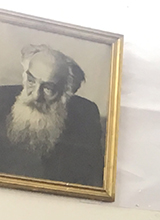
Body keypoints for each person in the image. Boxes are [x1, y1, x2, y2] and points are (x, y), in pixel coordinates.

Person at [0, 44, 104, 186]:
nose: (36, 95)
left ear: (66, 93)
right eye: (31, 81)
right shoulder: (1, 99)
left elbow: (91, 180)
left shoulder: (85, 115)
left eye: (48, 88)